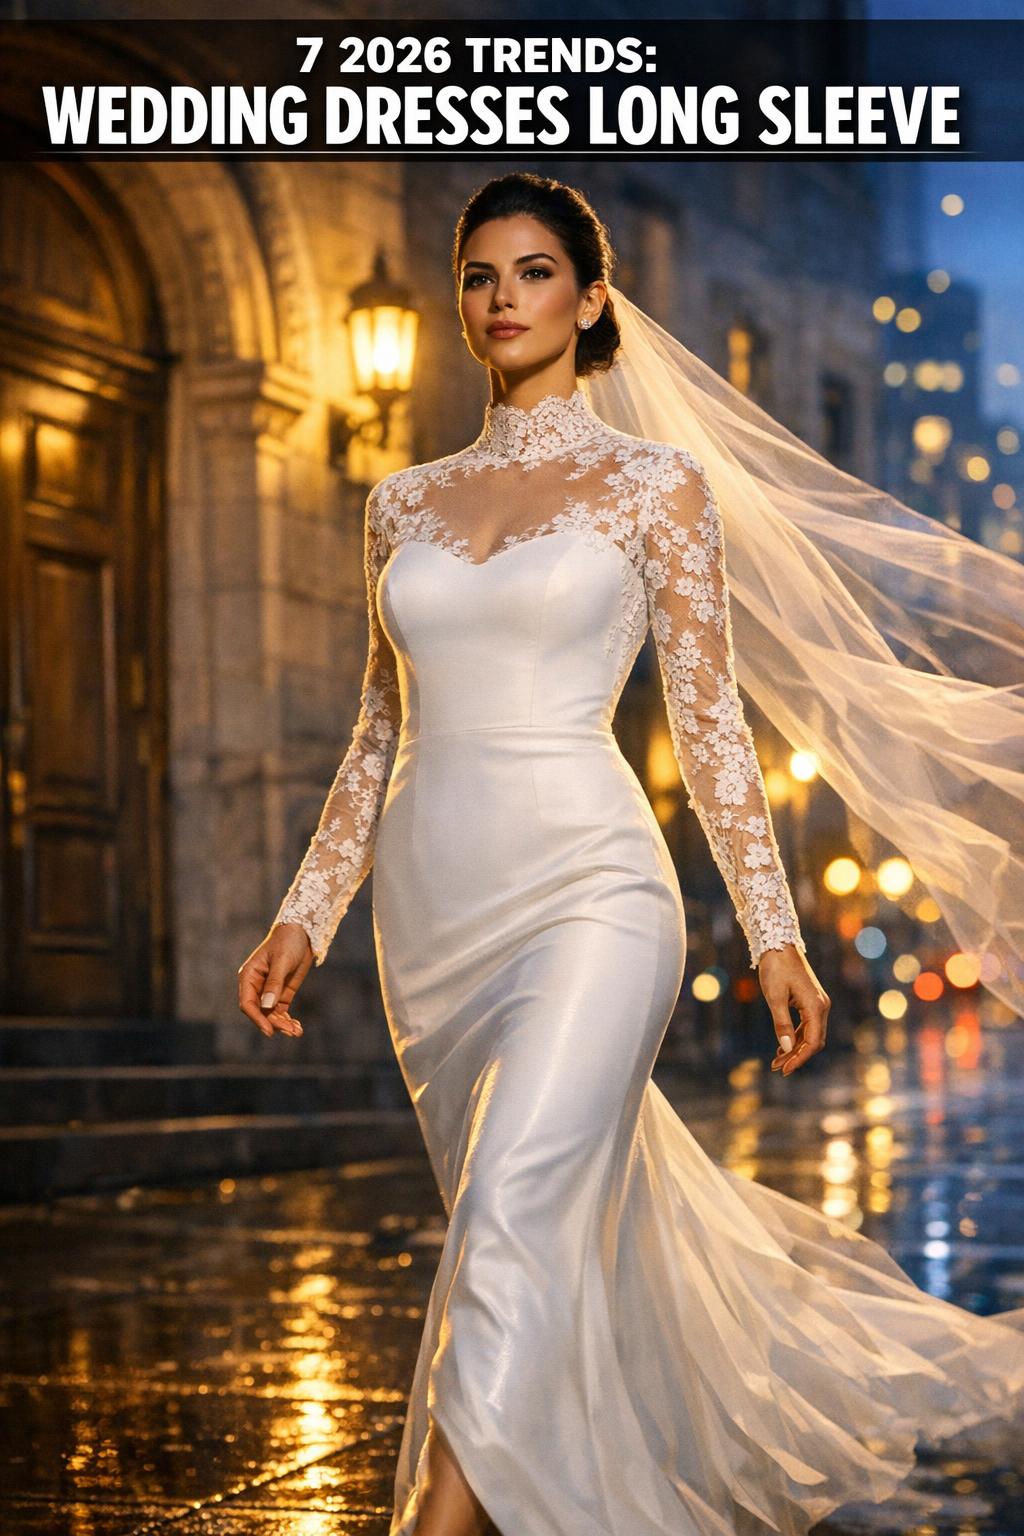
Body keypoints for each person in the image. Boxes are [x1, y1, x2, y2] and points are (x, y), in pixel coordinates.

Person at [238, 174, 1024, 1536]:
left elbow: (710, 725)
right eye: (479, 275)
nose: (503, 299)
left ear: (592, 299)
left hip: (595, 892)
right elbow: (379, 732)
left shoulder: (659, 486)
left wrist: (774, 931)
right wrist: (304, 911)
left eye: (534, 272)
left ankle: (436, 1524)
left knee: (514, 1209)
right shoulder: (400, 503)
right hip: (436, 915)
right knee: (517, 1225)